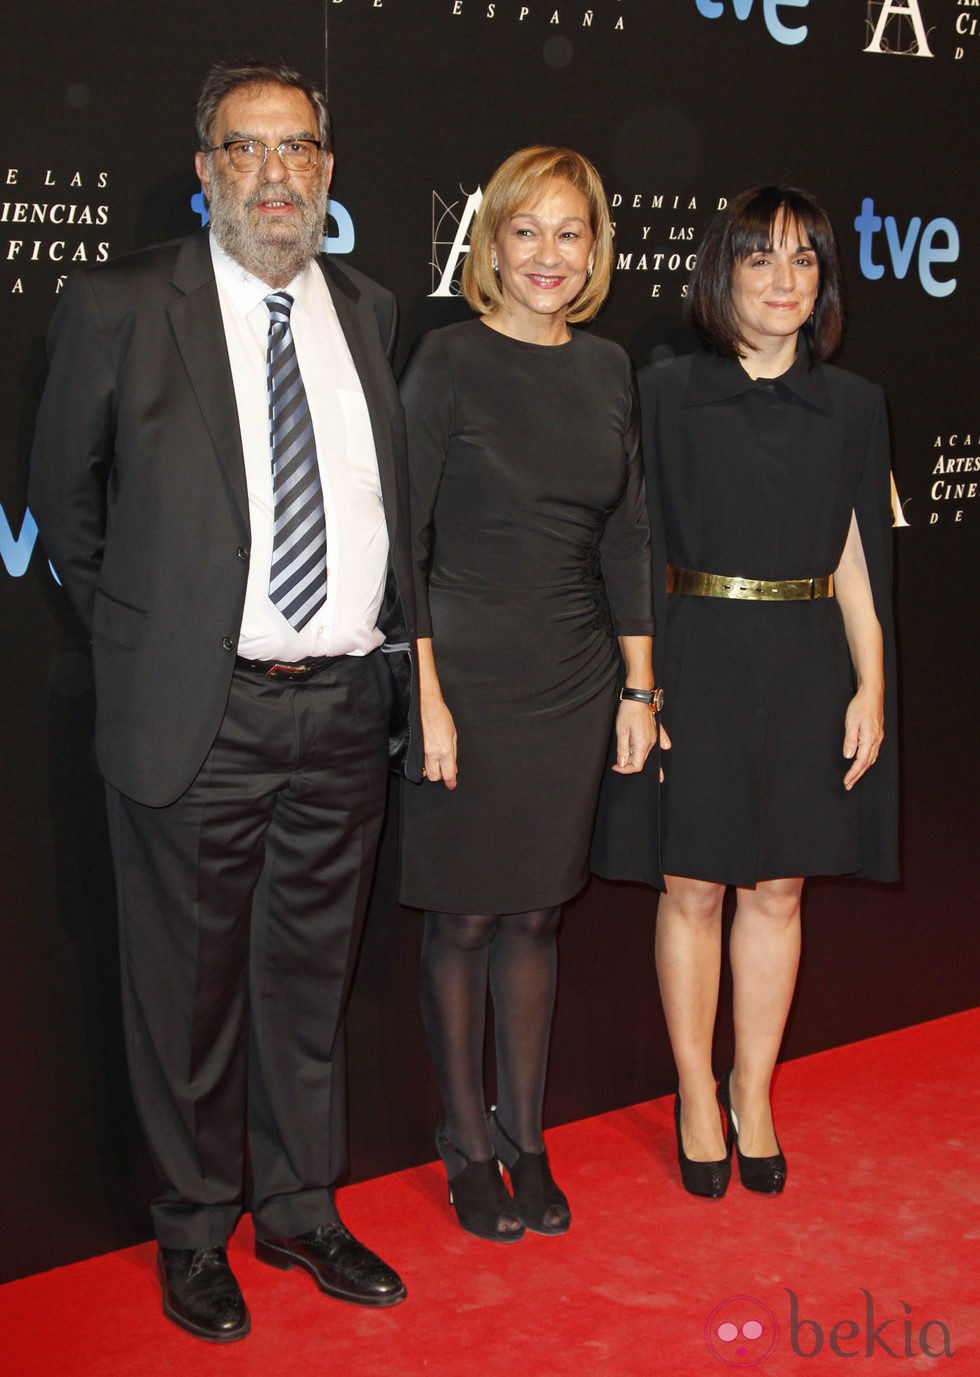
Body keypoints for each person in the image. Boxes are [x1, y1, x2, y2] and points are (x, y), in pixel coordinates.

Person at [29, 60, 420, 1340]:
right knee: (185, 992)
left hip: (344, 711)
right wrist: (162, 642)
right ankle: (195, 1230)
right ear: (205, 173)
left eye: (296, 149)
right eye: (244, 151)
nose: (272, 174)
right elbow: (67, 513)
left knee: (310, 984)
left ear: (325, 169)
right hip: (200, 713)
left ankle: (300, 1208)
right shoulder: (122, 302)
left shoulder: (366, 306)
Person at [593, 186, 898, 1198]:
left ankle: (751, 1090)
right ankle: (691, 1092)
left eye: (802, 260)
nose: (781, 280)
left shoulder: (852, 404)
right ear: (719, 274)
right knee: (693, 887)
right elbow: (634, 543)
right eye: (759, 259)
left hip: (807, 658)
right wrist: (644, 686)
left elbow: (853, 550)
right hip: (696, 651)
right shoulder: (663, 390)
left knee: (777, 888)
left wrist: (871, 683)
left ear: (822, 284)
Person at [399, 146, 663, 1242]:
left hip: (572, 676)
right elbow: (398, 543)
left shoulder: (607, 371)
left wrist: (638, 690)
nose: (547, 255)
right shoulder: (445, 363)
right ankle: (464, 1148)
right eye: (526, 232)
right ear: (490, 245)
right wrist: (425, 695)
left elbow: (628, 534)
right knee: (463, 917)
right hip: (463, 670)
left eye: (570, 233)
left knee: (535, 916)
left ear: (594, 250)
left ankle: (526, 1140)